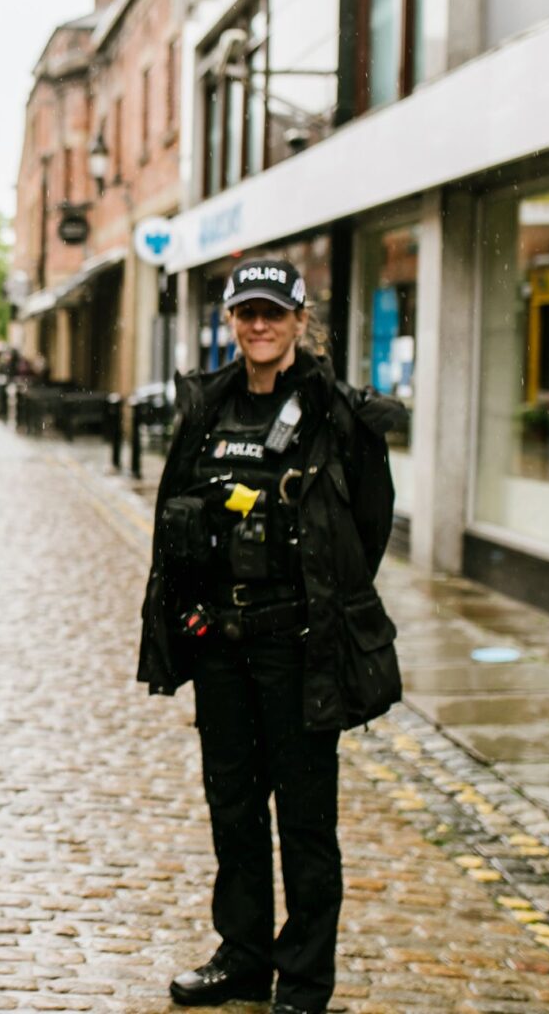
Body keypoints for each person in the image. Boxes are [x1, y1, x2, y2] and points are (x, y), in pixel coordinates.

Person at [137, 259, 404, 1014]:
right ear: (230, 321)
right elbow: (174, 518)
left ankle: (306, 979)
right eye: (246, 313)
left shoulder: (339, 413)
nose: (259, 326)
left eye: (273, 313)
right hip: (221, 640)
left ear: (299, 319)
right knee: (234, 806)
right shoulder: (207, 407)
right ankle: (244, 956)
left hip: (299, 645)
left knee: (307, 818)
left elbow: (367, 531)